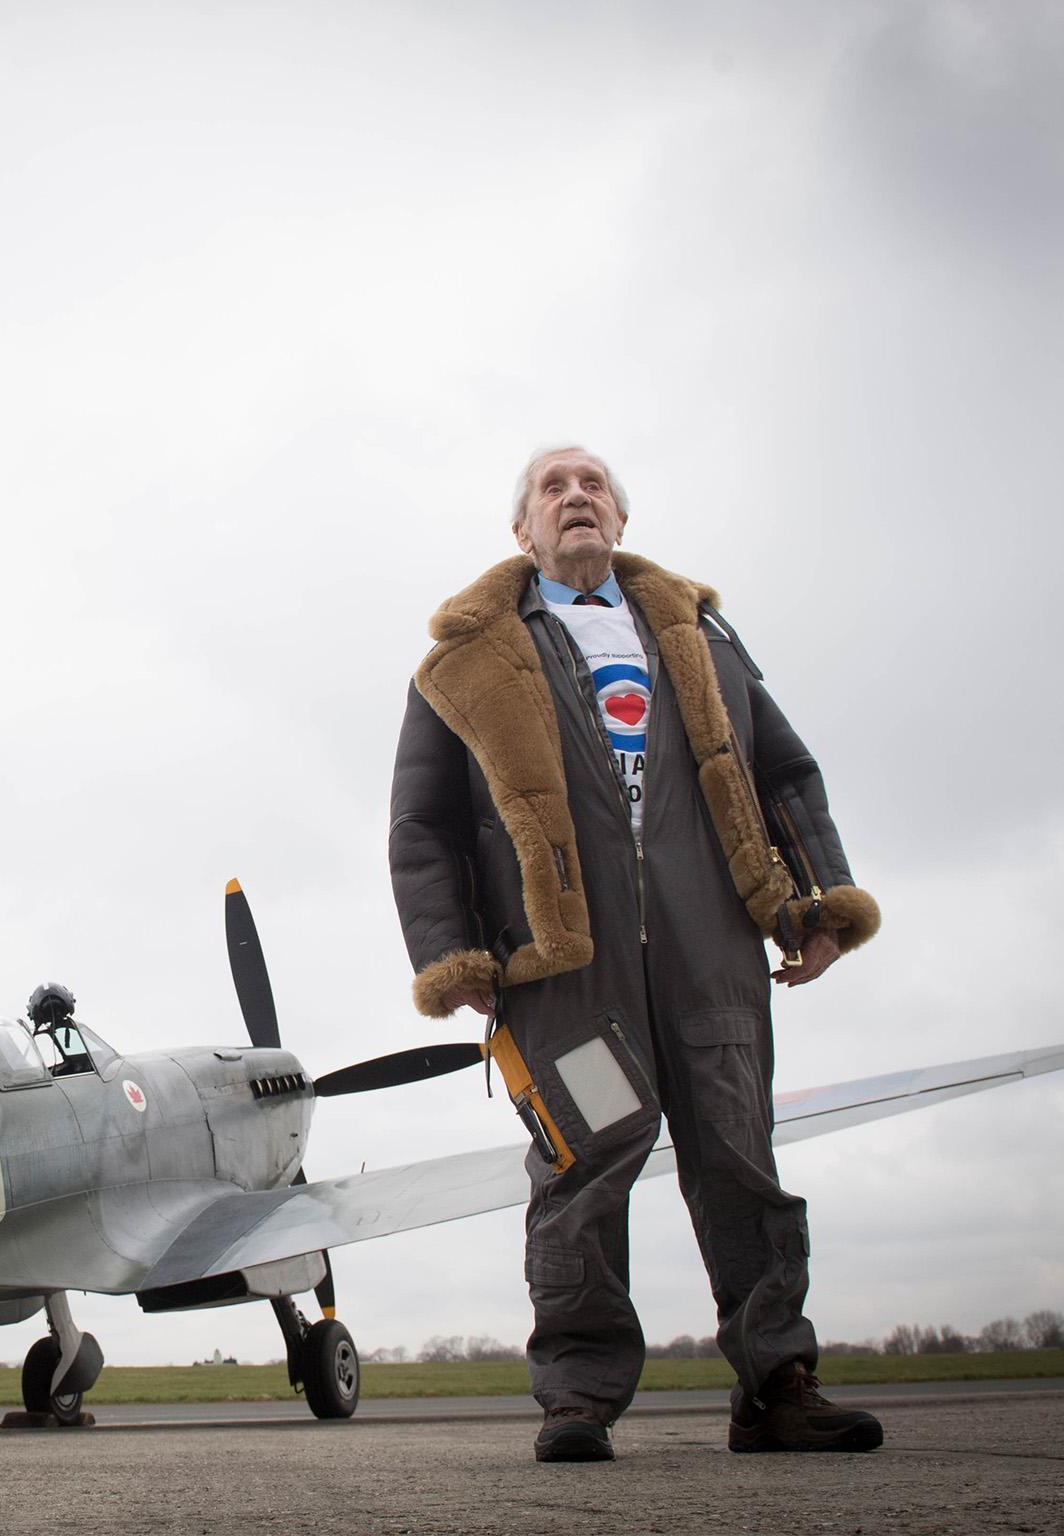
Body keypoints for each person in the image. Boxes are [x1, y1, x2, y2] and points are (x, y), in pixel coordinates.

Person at [387, 445, 883, 1462]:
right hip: (565, 972)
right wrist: (457, 957)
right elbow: (422, 828)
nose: (576, 496)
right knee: (583, 1163)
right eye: (551, 488)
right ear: (519, 531)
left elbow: (783, 773)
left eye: (592, 485)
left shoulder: (697, 637)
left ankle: (776, 1385)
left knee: (738, 1160)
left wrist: (812, 903)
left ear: (615, 516)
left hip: (711, 957)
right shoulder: (463, 661)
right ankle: (576, 1396)